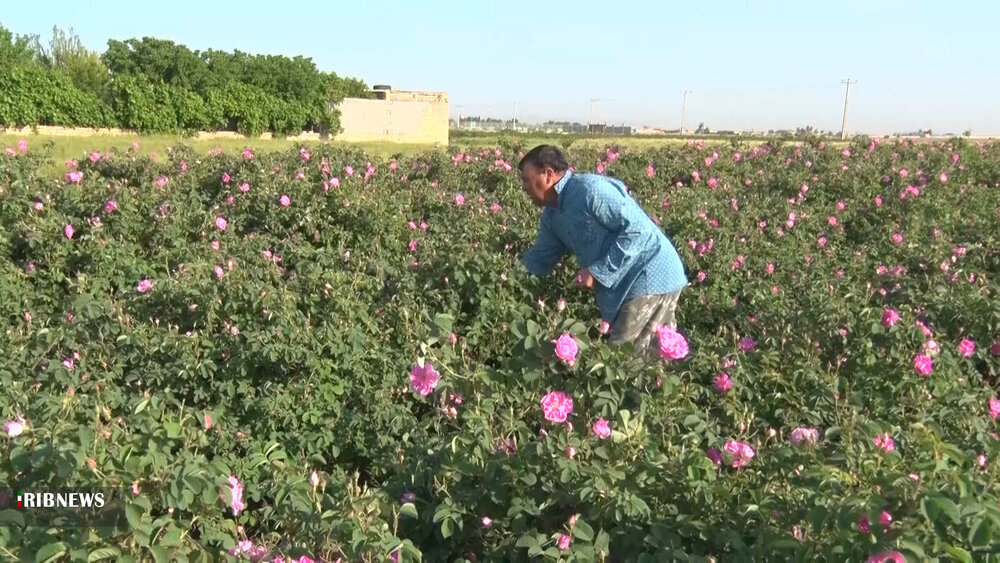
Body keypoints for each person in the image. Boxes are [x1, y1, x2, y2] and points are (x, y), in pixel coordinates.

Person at [519, 144, 688, 359]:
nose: (523, 187)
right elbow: (539, 259)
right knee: (641, 359)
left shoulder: (589, 190)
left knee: (620, 360)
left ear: (548, 175)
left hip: (649, 273)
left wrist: (597, 272)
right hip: (627, 287)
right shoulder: (552, 217)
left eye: (526, 179)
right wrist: (506, 282)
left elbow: (638, 230)